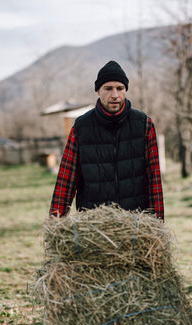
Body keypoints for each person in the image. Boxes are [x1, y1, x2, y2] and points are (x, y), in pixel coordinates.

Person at [49, 60, 164, 220]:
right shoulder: (81, 127)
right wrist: (55, 222)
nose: (115, 95)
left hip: (136, 225)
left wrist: (157, 226)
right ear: (98, 91)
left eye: (120, 88)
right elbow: (66, 179)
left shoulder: (144, 124)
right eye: (108, 88)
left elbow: (154, 179)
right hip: (94, 227)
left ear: (126, 90)